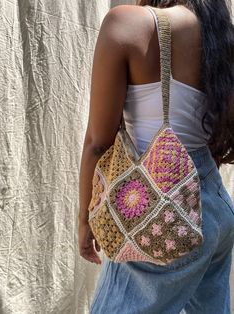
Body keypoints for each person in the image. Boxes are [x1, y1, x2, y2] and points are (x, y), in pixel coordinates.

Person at [78, 0, 234, 313]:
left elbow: (98, 141)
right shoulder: (221, 36)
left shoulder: (129, 24)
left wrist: (86, 217)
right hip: (216, 208)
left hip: (160, 211)